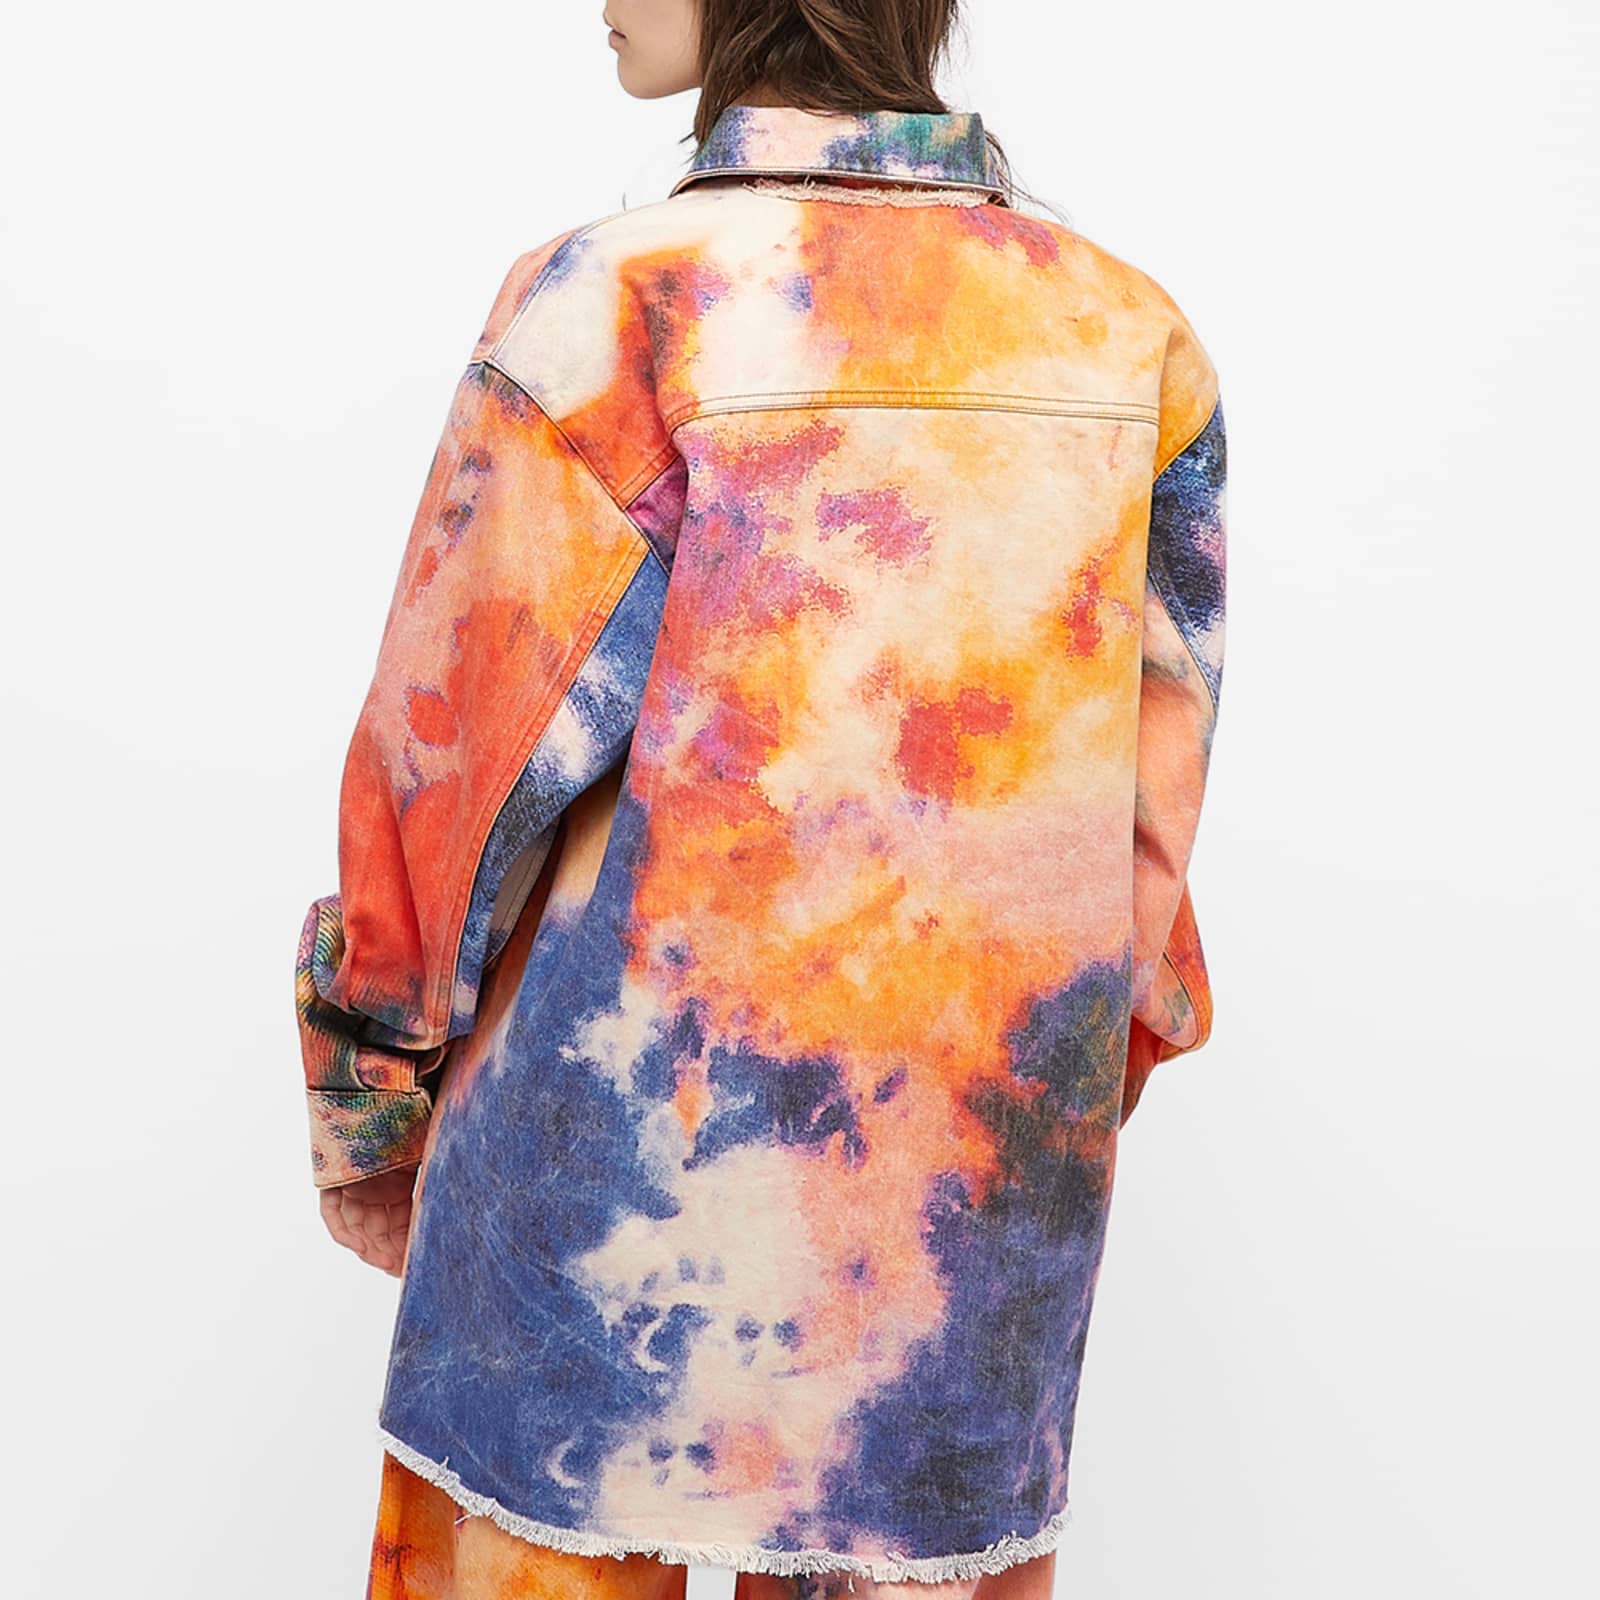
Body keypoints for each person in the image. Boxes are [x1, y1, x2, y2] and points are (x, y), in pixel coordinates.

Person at [295, 2, 1227, 1596]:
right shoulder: (1129, 339)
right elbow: (1144, 840)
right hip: (954, 1237)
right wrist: (1046, 1112)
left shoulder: (618, 305)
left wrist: (369, 1080)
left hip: (607, 1208)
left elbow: (451, 770)